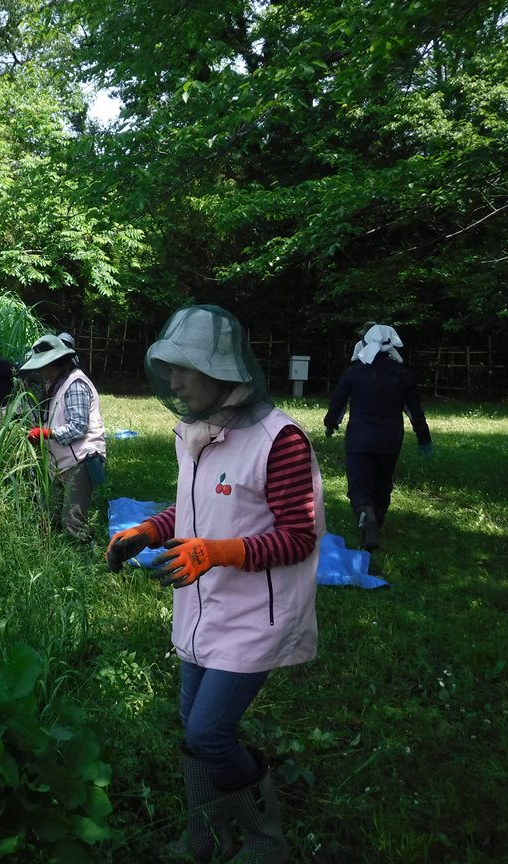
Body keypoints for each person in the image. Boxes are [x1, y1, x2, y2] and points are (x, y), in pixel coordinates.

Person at [104, 305, 323, 863]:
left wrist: (217, 551)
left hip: (255, 617)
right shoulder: (198, 433)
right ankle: (201, 838)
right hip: (200, 606)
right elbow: (194, 509)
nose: (173, 382)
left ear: (222, 371)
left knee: (210, 735)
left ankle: (265, 843)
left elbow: (300, 536)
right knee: (191, 729)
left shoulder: (281, 441)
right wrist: (148, 530)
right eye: (170, 369)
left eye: (185, 369)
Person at [323, 324, 433, 553]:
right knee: (383, 484)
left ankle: (367, 519)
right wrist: (424, 438)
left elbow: (338, 403)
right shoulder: (402, 375)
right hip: (390, 441)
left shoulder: (354, 372)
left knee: (359, 487)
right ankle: (377, 523)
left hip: (360, 440)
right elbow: (414, 411)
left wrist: (331, 424)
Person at [17, 334, 107, 540]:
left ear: (53, 363)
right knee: (53, 513)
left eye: (42, 366)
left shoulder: (75, 383)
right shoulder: (57, 384)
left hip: (82, 459)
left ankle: (88, 563)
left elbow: (78, 426)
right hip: (62, 462)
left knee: (72, 519)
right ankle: (64, 558)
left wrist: (47, 434)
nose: (39, 371)